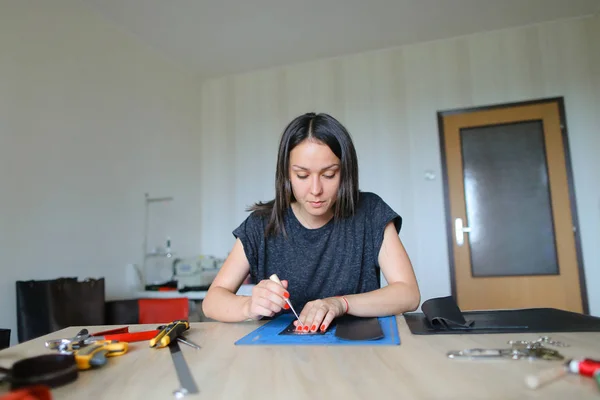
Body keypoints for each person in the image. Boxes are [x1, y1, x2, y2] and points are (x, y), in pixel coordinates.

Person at [202, 112, 420, 333]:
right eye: (302, 176)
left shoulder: (370, 213)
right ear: (286, 174)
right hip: (281, 358)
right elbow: (212, 301)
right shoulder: (261, 224)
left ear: (345, 172)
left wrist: (340, 303)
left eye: (329, 174)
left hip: (355, 353)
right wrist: (249, 306)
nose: (316, 190)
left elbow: (408, 294)